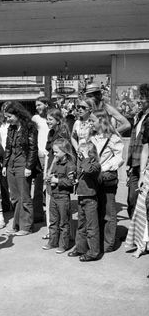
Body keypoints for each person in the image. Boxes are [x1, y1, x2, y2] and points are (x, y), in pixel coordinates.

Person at [2, 101, 40, 236]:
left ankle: (27, 226)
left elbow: (33, 148)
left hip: (23, 164)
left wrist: (29, 166)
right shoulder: (11, 128)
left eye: (9, 117)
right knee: (15, 197)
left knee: (24, 196)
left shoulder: (30, 127)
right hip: (11, 163)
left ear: (17, 114)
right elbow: (8, 148)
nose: (7, 119)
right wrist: (5, 165)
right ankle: (16, 225)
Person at [89, 109, 124, 253]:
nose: (90, 123)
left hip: (106, 176)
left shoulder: (113, 138)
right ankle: (97, 240)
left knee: (109, 210)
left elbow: (119, 158)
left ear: (101, 121)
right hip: (93, 178)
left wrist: (105, 167)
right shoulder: (92, 137)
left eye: (92, 120)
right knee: (96, 209)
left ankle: (108, 243)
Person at [125, 88, 149, 258]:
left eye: (142, 98)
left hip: (143, 167)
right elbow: (135, 142)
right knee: (131, 200)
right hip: (135, 164)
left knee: (140, 203)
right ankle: (137, 237)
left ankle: (141, 239)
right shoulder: (139, 117)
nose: (138, 101)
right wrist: (129, 163)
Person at [68, 142, 101, 262]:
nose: (79, 155)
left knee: (92, 227)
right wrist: (74, 179)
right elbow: (81, 176)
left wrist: (86, 157)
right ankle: (81, 248)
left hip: (90, 199)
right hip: (81, 197)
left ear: (90, 153)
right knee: (81, 225)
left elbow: (88, 170)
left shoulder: (95, 165)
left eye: (81, 153)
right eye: (79, 153)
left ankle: (93, 252)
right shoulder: (83, 163)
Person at [42, 138, 76, 254]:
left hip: (63, 197)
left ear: (65, 151)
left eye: (56, 152)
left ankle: (63, 244)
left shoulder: (70, 165)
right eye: (54, 152)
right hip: (54, 195)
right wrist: (49, 179)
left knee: (63, 222)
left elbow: (71, 182)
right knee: (53, 220)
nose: (54, 154)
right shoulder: (55, 163)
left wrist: (57, 180)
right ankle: (52, 241)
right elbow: (51, 175)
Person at [31, 96, 53, 226]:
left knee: (51, 185)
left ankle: (52, 214)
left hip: (52, 154)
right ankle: (38, 214)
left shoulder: (53, 116)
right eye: (36, 106)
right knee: (38, 185)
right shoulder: (35, 119)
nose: (37, 107)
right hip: (39, 155)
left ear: (46, 104)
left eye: (39, 105)